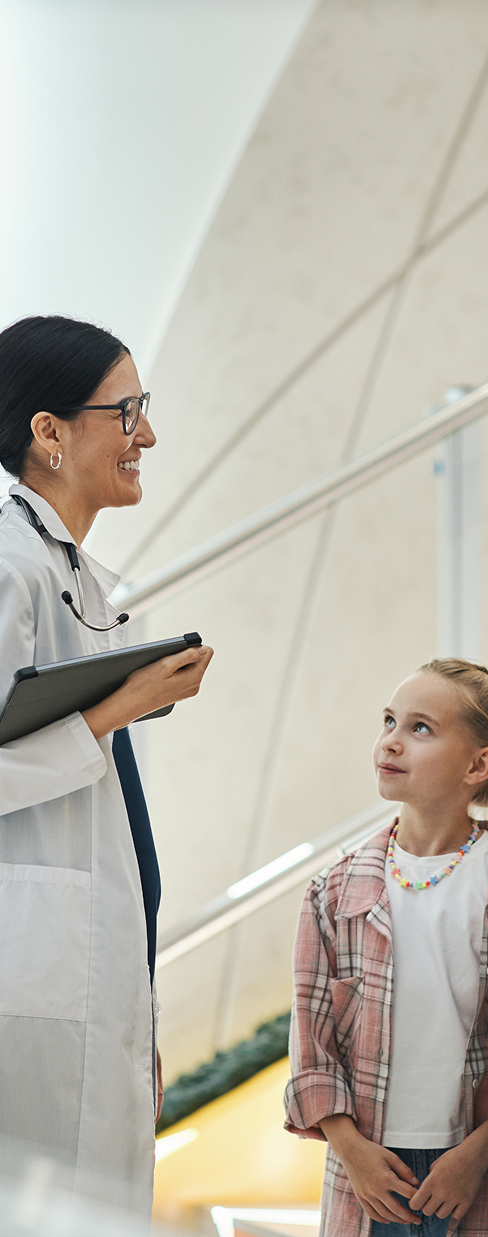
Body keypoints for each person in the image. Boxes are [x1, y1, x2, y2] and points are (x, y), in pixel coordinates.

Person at [0, 315, 213, 1212]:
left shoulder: (75, 578)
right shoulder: (10, 566)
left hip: (83, 980)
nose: (148, 436)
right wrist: (118, 707)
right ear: (49, 432)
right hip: (32, 985)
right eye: (127, 412)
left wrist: (137, 1012)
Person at [284, 658, 488, 1237]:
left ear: (479, 765)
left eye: (420, 728)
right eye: (390, 721)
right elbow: (312, 1046)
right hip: (369, 1177)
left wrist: (476, 1155)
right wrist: (354, 1155)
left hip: (486, 1172)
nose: (391, 741)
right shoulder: (333, 890)